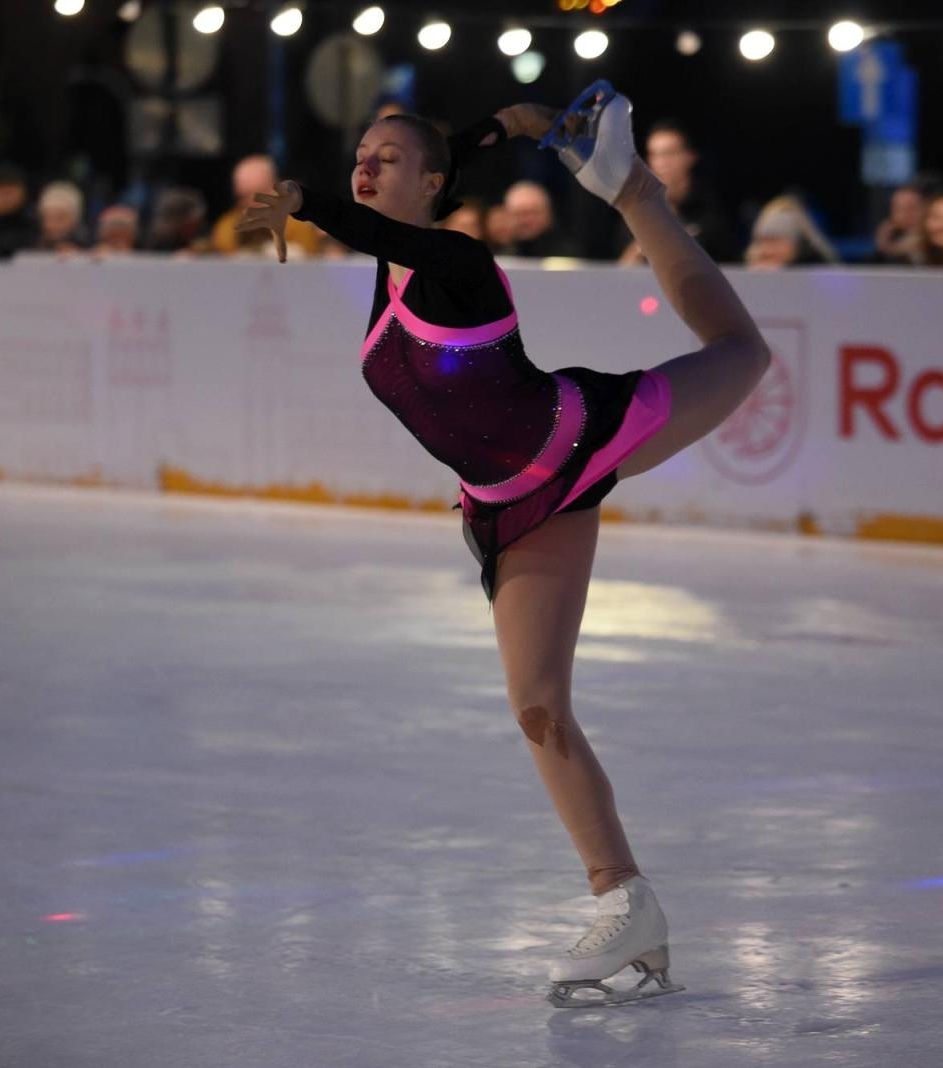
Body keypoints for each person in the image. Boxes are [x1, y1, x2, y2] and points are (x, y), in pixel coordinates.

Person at [236, 82, 771, 1008]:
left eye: (388, 159)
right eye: (358, 154)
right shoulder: (392, 261)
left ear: (434, 183)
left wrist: (314, 204)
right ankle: (627, 903)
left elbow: (398, 234)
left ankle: (636, 191)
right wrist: (503, 128)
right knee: (536, 707)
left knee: (741, 351)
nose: (365, 164)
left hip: (584, 431)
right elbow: (404, 207)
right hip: (513, 504)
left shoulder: (456, 260)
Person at [614, 120, 741, 264]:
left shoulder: (713, 210)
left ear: (690, 156)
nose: (662, 163)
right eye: (655, 155)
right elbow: (623, 269)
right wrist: (637, 251)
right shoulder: (636, 212)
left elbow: (729, 262)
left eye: (669, 153)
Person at [208, 154, 322, 258]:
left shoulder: (298, 224)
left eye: (257, 196)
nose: (249, 205)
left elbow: (311, 267)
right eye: (243, 197)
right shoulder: (227, 227)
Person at [499, 180, 580, 258]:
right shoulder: (499, 255)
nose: (526, 221)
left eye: (533, 213)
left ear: (548, 214)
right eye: (519, 214)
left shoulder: (567, 257)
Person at [871, 183, 923, 264]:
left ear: (923, 209)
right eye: (898, 208)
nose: (903, 214)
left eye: (910, 208)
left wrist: (886, 246)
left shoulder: (931, 240)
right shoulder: (889, 237)